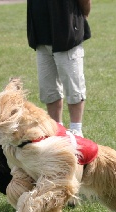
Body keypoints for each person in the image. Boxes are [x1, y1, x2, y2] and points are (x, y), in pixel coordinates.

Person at [27, 0, 91, 137]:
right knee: (49, 89)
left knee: (73, 86)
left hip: (67, 33)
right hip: (41, 35)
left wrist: (82, 16)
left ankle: (76, 130)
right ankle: (56, 131)